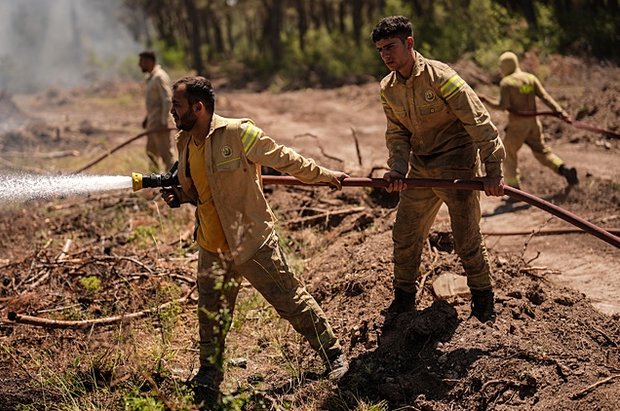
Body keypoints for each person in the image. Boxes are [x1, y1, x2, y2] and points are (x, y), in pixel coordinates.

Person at [161, 76, 349, 407]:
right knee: (210, 311)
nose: (172, 112)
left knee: (288, 298)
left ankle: (332, 353)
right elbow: (194, 191)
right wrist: (178, 195)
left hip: (251, 240)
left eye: (177, 105)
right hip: (211, 244)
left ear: (198, 107)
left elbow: (284, 158)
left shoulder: (238, 132)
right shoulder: (185, 143)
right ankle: (209, 372)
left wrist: (324, 175)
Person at [372, 16, 506, 323]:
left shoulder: (441, 76)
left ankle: (483, 301)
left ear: (409, 43)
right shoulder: (387, 88)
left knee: (466, 237)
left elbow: (479, 121)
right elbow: (396, 134)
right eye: (380, 50)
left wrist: (493, 170)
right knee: (405, 233)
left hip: (456, 164)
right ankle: (404, 299)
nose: (386, 55)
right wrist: (396, 169)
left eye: (390, 47)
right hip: (420, 168)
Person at [479, 51, 578, 192]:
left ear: (506, 66)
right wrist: (561, 112)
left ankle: (514, 189)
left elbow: (502, 106)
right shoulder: (530, 78)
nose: (501, 69)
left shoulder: (507, 83)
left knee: (508, 154)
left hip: (517, 127)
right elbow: (545, 96)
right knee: (543, 152)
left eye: (501, 66)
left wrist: (486, 100)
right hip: (533, 124)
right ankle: (563, 168)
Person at [138, 50, 174, 171]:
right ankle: (154, 183)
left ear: (149, 61)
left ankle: (173, 185)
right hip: (152, 123)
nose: (139, 65)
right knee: (151, 153)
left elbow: (167, 99)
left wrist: (164, 121)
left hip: (160, 124)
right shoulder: (151, 78)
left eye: (141, 61)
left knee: (166, 156)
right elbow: (155, 102)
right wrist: (147, 118)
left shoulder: (159, 77)